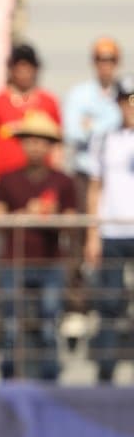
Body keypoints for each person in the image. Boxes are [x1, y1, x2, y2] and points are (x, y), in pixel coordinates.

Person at [0, 112, 77, 381]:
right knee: (10, 326)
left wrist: (51, 216)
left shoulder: (63, 181)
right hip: (13, 262)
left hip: (50, 262)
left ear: (51, 146)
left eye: (43, 141)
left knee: (49, 324)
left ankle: (50, 382)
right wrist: (24, 214)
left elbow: (72, 222)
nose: (36, 146)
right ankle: (9, 380)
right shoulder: (7, 180)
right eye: (31, 140)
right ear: (23, 143)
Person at [82, 74, 134, 383]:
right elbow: (94, 187)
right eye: (126, 99)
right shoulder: (105, 139)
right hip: (113, 231)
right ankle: (106, 372)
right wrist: (92, 233)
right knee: (109, 303)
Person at [0, 44, 62, 185]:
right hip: (4, 179)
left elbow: (57, 143)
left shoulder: (48, 102)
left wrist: (55, 175)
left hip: (41, 179)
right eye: (19, 67)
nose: (23, 72)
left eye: (28, 67)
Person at [64, 38, 122, 188]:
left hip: (118, 172)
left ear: (117, 62)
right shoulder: (79, 94)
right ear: (94, 62)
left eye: (110, 60)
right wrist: (113, 126)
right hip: (85, 172)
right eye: (100, 59)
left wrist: (91, 126)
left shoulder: (126, 94)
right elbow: (72, 133)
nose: (105, 65)